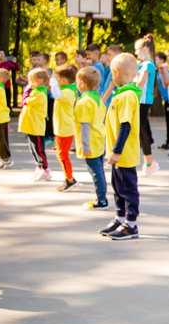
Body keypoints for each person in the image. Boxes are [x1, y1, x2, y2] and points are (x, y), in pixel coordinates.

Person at [99, 53, 143, 240]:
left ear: (116, 72)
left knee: (128, 188)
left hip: (123, 154)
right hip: (117, 154)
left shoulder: (127, 96)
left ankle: (131, 225)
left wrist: (116, 151)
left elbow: (125, 126)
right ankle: (120, 218)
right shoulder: (121, 94)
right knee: (117, 188)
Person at [75, 66, 108, 210]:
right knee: (99, 170)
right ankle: (102, 197)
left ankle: (101, 200)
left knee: (95, 172)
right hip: (99, 139)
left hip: (91, 142)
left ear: (82, 83)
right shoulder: (98, 100)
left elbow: (85, 125)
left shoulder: (84, 102)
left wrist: (85, 146)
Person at [134, 34, 160, 177]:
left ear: (145, 49)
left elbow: (139, 83)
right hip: (141, 100)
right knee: (140, 129)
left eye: (137, 49)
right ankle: (148, 163)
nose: (136, 52)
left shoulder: (148, 64)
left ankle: (150, 163)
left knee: (141, 129)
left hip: (143, 100)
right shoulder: (144, 64)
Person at [19, 68, 51, 181]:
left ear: (38, 81)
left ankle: (45, 169)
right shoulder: (36, 91)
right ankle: (39, 166)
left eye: (30, 80)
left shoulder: (40, 94)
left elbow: (24, 101)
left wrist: (27, 90)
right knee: (33, 148)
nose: (29, 82)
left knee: (39, 149)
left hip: (36, 125)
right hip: (31, 124)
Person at [53, 64, 79, 192]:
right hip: (62, 128)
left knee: (63, 155)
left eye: (57, 78)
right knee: (61, 154)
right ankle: (69, 178)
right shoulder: (67, 90)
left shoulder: (67, 92)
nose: (56, 81)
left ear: (64, 80)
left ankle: (69, 179)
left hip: (65, 129)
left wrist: (52, 83)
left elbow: (56, 94)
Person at [154, 51, 169, 152]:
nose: (155, 61)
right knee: (168, 121)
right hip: (165, 99)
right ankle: (168, 142)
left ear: (162, 60)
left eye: (156, 59)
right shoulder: (157, 71)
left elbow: (168, 84)